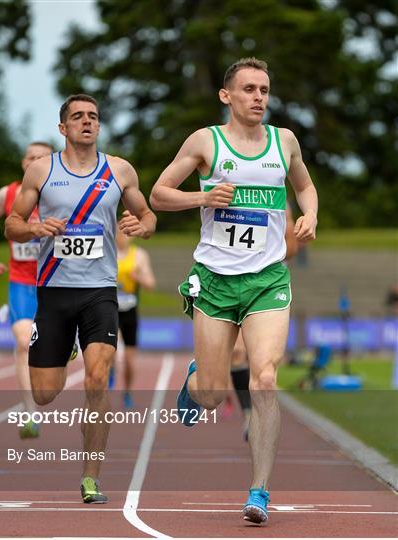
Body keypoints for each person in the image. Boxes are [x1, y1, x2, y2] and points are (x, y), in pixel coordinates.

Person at [150, 57, 317, 525]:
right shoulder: (207, 141)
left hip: (267, 277)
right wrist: (202, 197)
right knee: (211, 395)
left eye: (264, 89)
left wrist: (311, 215)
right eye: (249, 89)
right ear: (227, 96)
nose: (259, 97)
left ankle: (259, 491)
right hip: (216, 280)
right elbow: (159, 194)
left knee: (264, 378)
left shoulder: (284, 142)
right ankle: (199, 379)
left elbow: (305, 187)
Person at [5, 94, 156, 504]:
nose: (86, 122)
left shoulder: (119, 170)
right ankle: (65, 347)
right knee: (44, 393)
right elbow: (12, 225)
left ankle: (91, 478)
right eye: (77, 116)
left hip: (100, 291)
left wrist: (140, 226)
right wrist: (34, 230)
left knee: (96, 380)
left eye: (92, 116)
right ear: (63, 128)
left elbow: (148, 216)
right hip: (53, 291)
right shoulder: (42, 170)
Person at [0, 142, 54, 438]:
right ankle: (30, 415)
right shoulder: (8, 194)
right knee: (23, 342)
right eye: (30, 157)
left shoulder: (64, 195)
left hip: (57, 283)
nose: (34, 161)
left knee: (48, 354)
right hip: (22, 283)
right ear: (24, 163)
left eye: (41, 158)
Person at [227, 204, 299, 440]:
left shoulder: (282, 203)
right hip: (233, 282)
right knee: (237, 354)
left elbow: (293, 249)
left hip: (268, 286)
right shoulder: (232, 192)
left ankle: (261, 417)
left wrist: (275, 236)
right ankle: (248, 413)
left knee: (265, 368)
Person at [108, 224, 156, 408]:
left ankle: (127, 391)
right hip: (110, 309)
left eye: (127, 233)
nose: (123, 236)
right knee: (109, 352)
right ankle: (110, 373)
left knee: (129, 360)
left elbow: (151, 284)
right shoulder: (108, 253)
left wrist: (138, 277)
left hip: (130, 312)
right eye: (120, 232)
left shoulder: (139, 256)